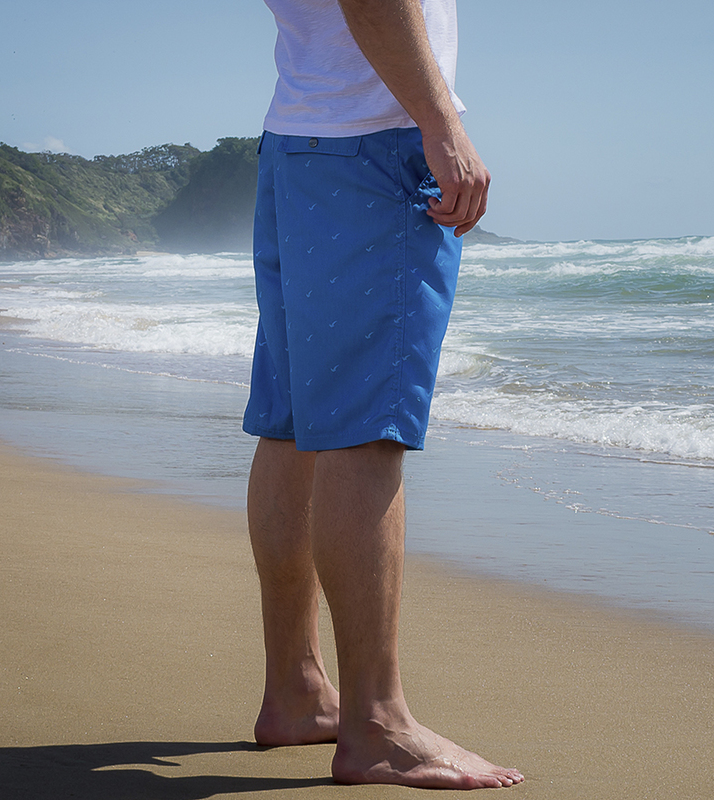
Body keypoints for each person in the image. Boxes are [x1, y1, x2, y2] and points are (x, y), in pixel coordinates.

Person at [241, 0, 523, 789]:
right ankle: (377, 725)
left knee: (295, 426)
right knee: (365, 431)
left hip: (298, 143)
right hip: (375, 144)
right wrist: (441, 123)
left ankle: (298, 689)